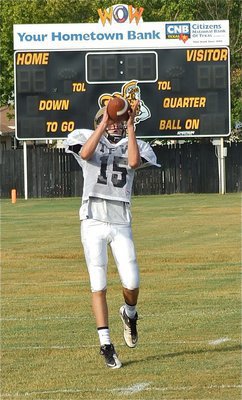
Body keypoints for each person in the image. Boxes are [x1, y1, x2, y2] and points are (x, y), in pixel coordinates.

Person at [64, 100, 160, 369]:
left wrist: (130, 126)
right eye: (110, 120)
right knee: (99, 282)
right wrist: (105, 122)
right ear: (99, 121)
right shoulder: (86, 136)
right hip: (92, 219)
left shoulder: (136, 143)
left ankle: (129, 313)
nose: (114, 124)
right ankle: (105, 343)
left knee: (131, 281)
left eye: (118, 120)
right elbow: (84, 154)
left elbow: (132, 161)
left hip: (120, 221)